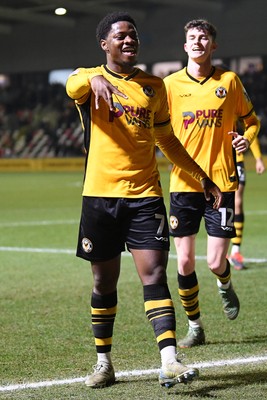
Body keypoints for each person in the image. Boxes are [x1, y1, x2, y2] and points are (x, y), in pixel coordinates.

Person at [66, 12, 222, 389]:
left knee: (153, 276)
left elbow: (166, 140)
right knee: (103, 283)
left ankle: (168, 359)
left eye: (132, 35)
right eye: (120, 35)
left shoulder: (154, 86)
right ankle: (104, 363)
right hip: (99, 197)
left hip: (145, 197)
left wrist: (200, 175)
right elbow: (72, 85)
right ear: (105, 44)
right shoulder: (89, 81)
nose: (128, 40)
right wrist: (95, 77)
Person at [164, 19, 260, 348]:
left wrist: (247, 139)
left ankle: (224, 283)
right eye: (191, 37)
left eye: (203, 38)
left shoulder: (229, 82)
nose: (197, 42)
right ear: (184, 45)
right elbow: (156, 127)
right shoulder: (171, 85)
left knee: (216, 261)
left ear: (213, 46)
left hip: (221, 183)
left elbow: (251, 120)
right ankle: (195, 326)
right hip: (183, 183)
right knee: (186, 260)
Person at [229, 137, 265, 270]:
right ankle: (220, 248)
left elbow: (251, 128)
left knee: (237, 201)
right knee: (216, 202)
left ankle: (235, 251)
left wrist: (258, 159)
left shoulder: (238, 114)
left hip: (236, 158)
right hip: (217, 156)